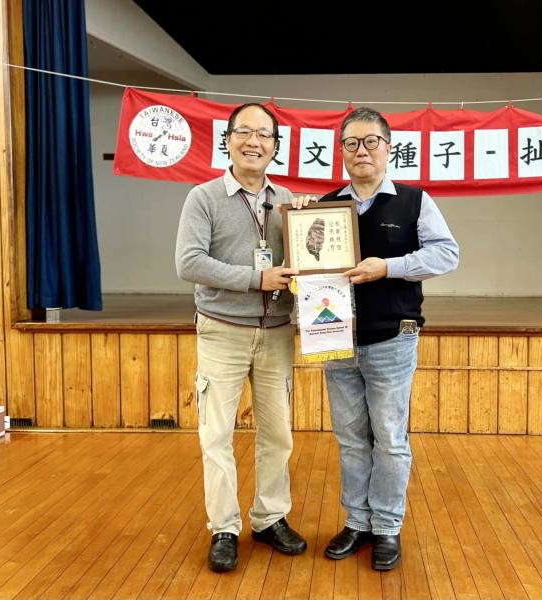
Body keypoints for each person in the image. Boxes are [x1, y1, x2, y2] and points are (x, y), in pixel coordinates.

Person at [296, 107, 459, 570]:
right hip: (335, 337)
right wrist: (303, 221)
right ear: (341, 151)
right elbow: (307, 266)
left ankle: (387, 527)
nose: (361, 150)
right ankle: (357, 522)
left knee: (388, 438)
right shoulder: (326, 205)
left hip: (392, 338)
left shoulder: (414, 200)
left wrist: (388, 267)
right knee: (349, 439)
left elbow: (447, 254)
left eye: (371, 142)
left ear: (388, 148)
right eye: (351, 143)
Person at [175, 103, 307, 573]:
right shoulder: (204, 197)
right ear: (227, 140)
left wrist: (313, 223)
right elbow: (189, 264)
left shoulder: (289, 201)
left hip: (276, 335)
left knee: (278, 434)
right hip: (222, 332)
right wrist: (257, 278)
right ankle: (225, 528)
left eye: (264, 135)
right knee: (217, 435)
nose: (254, 142)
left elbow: (306, 263)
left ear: (276, 146)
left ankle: (270, 518)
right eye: (244, 133)